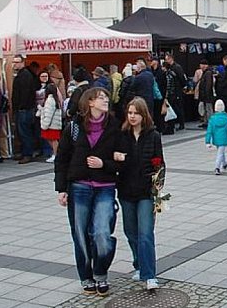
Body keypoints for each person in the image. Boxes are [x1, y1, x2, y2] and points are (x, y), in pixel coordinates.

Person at [54, 87, 121, 296]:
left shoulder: (114, 126)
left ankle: (101, 272)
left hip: (105, 187)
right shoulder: (74, 128)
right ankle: (86, 277)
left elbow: (122, 159)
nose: (105, 101)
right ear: (90, 102)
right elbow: (62, 159)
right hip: (79, 187)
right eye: (101, 98)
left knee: (102, 233)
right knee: (80, 235)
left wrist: (104, 164)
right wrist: (61, 189)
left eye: (106, 98)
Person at [115, 97, 163, 291]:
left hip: (146, 192)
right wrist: (116, 158)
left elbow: (159, 163)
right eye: (130, 113)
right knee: (131, 232)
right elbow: (115, 161)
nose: (132, 116)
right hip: (126, 191)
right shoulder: (122, 135)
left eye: (136, 113)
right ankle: (139, 264)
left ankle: (149, 274)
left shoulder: (153, 135)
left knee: (145, 233)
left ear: (144, 115)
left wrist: (157, 190)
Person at [12, 54, 38, 164]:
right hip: (23, 108)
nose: (14, 64)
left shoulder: (25, 75)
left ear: (22, 62)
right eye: (14, 62)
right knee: (23, 132)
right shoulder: (22, 74)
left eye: (17, 62)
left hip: (25, 109)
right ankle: (25, 152)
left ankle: (28, 154)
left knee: (25, 132)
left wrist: (21, 106)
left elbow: (26, 93)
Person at [205, 99, 227, 175]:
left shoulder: (212, 119)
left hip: (216, 139)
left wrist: (207, 141)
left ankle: (224, 163)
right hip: (224, 138)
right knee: (220, 153)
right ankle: (217, 167)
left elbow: (209, 131)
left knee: (220, 151)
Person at [40, 83, 63, 163]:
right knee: (53, 139)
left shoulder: (50, 100)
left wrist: (45, 123)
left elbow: (49, 113)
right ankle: (57, 154)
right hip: (55, 123)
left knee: (53, 140)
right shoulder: (56, 99)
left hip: (50, 124)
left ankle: (56, 155)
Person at [164, 54, 187, 130]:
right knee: (173, 107)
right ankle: (173, 124)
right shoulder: (170, 68)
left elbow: (182, 79)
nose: (166, 61)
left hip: (177, 91)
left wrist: (181, 87)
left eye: (167, 59)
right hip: (172, 91)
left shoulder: (177, 67)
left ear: (171, 59)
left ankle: (181, 124)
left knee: (178, 107)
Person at [160, 62, 179, 135]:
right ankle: (171, 127)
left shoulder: (167, 75)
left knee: (168, 112)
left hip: (169, 96)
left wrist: (165, 97)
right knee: (171, 110)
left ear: (165, 67)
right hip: (173, 95)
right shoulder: (172, 74)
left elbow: (167, 86)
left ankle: (169, 128)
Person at [196, 61, 215, 128]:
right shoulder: (206, 73)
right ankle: (206, 121)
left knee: (208, 109)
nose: (201, 67)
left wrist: (206, 94)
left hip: (207, 95)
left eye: (201, 65)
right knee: (205, 109)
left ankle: (210, 122)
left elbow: (208, 85)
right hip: (204, 95)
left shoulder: (208, 73)